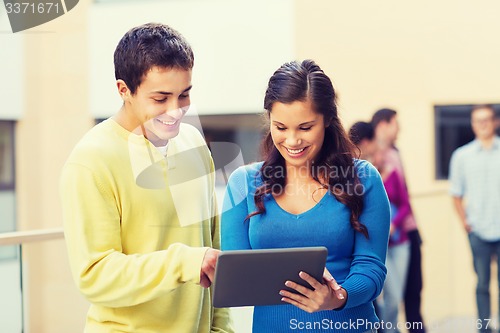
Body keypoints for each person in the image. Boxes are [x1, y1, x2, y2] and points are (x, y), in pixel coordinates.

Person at [60, 23, 233, 333]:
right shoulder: (90, 160)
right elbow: (95, 275)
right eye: (160, 98)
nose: (176, 110)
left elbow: (212, 250)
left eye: (184, 95)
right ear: (124, 90)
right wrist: (184, 263)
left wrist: (221, 329)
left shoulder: (193, 143)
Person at [221, 59, 390, 333]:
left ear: (328, 120)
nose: (292, 141)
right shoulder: (243, 183)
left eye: (305, 127)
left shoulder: (364, 178)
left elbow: (371, 267)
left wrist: (337, 298)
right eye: (281, 127)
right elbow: (235, 273)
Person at [371, 108, 426, 333]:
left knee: (411, 290)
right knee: (390, 296)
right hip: (384, 242)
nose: (399, 129)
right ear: (383, 125)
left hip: (403, 235)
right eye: (396, 124)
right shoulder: (366, 168)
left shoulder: (394, 159)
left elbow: (405, 200)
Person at [449, 104, 500, 333]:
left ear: (495, 122)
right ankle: (485, 328)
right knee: (481, 284)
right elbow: (456, 194)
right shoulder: (462, 156)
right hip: (477, 230)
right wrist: (465, 224)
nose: (483, 125)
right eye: (478, 121)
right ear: (472, 125)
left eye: (487, 120)